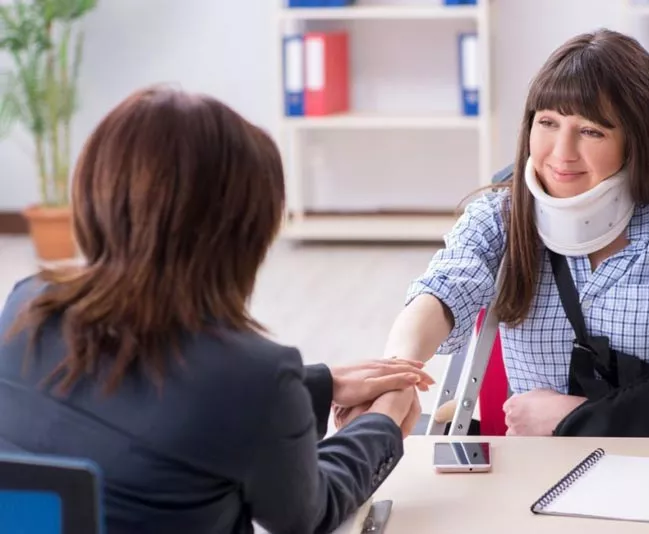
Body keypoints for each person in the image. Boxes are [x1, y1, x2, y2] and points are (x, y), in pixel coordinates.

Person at [0, 86, 435, 534]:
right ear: (239, 235)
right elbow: (308, 513)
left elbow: (145, 401)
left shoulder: (27, 306)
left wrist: (318, 384)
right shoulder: (253, 378)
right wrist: (381, 424)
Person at [356, 29, 649, 438]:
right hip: (535, 472)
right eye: (548, 122)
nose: (562, 152)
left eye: (591, 131)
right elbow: (440, 294)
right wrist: (395, 380)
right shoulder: (501, 218)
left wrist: (576, 418)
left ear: (635, 139)